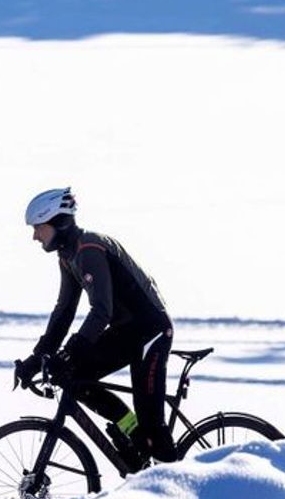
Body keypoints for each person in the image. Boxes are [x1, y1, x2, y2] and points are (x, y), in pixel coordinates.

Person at [15, 187, 178, 470]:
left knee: (152, 424)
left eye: (38, 228)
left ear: (57, 222)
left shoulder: (89, 248)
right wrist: (37, 357)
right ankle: (133, 432)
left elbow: (102, 310)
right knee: (75, 377)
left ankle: (178, 482)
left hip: (150, 330)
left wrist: (73, 348)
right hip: (127, 332)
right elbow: (63, 312)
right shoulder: (68, 255)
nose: (34, 236)